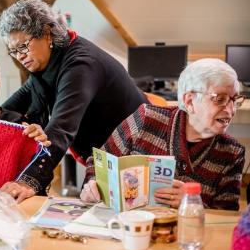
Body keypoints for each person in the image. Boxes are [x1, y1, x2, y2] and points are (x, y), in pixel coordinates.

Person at [0, 0, 148, 200]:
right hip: (105, 154)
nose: (20, 56)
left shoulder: (80, 64)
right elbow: (11, 107)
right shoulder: (45, 68)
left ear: (47, 33)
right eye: (13, 51)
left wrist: (28, 180)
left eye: (23, 46)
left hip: (135, 152)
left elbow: (60, 128)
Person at [80, 58, 245, 211]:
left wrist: (193, 203)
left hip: (185, 236)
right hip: (131, 230)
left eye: (234, 100)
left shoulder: (232, 153)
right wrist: (93, 184)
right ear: (189, 101)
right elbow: (98, 161)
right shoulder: (146, 119)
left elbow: (227, 217)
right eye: (220, 99)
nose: (231, 110)